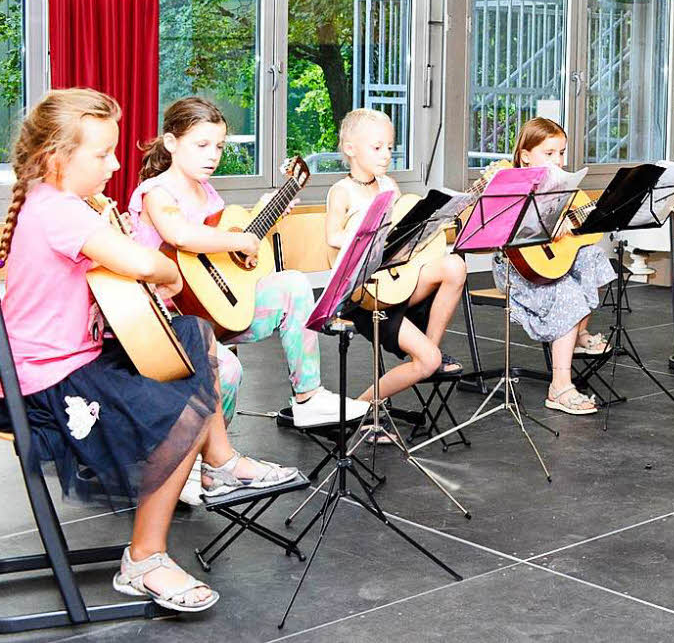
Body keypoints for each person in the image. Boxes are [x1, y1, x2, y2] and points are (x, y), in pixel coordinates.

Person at [0, 88, 296, 613]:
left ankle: (220, 458)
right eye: (102, 155)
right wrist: (160, 270)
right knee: (182, 408)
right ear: (55, 158)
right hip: (48, 383)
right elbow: (151, 266)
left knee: (192, 336)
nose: (116, 164)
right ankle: (145, 557)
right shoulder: (59, 212)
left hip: (74, 359)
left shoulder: (61, 204)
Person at [128, 97, 339, 430]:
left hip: (217, 312)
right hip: (171, 318)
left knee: (294, 284)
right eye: (202, 145)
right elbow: (180, 235)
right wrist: (239, 241)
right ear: (171, 143)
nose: (213, 154)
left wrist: (253, 240)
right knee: (226, 368)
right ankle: (203, 460)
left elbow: (219, 258)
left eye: (219, 146)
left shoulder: (210, 195)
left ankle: (308, 396)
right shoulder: (156, 192)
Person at [324, 109, 466, 437]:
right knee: (426, 362)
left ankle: (431, 350)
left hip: (397, 282)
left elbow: (403, 234)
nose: (387, 154)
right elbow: (332, 238)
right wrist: (370, 235)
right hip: (366, 295)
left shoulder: (389, 184)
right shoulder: (342, 191)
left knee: (455, 265)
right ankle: (360, 409)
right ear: (349, 148)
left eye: (390, 146)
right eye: (378, 147)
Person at [492, 117, 615, 416]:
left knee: (594, 258)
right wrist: (545, 226)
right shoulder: (509, 182)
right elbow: (498, 228)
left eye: (561, 152)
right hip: (518, 268)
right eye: (549, 153)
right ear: (525, 155)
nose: (558, 160)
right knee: (568, 291)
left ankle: (578, 335)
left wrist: (577, 223)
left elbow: (592, 228)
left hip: (553, 260)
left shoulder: (565, 184)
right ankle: (559, 387)